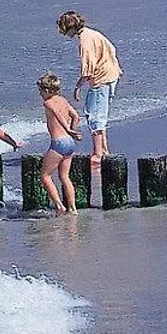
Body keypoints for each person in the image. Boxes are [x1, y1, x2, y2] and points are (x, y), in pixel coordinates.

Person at [57, 11, 120, 173]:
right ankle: (104, 150)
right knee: (100, 114)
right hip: (110, 75)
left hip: (101, 79)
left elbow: (88, 69)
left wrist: (78, 86)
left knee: (94, 115)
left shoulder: (84, 40)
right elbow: (111, 48)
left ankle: (98, 154)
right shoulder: (93, 33)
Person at [37, 72, 82, 214]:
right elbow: (76, 116)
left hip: (59, 142)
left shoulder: (48, 102)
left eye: (40, 91)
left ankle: (60, 206)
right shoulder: (63, 100)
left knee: (45, 176)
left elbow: (57, 114)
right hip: (69, 143)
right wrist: (73, 131)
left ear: (47, 91)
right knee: (64, 177)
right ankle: (73, 209)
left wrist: (68, 129)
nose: (40, 94)